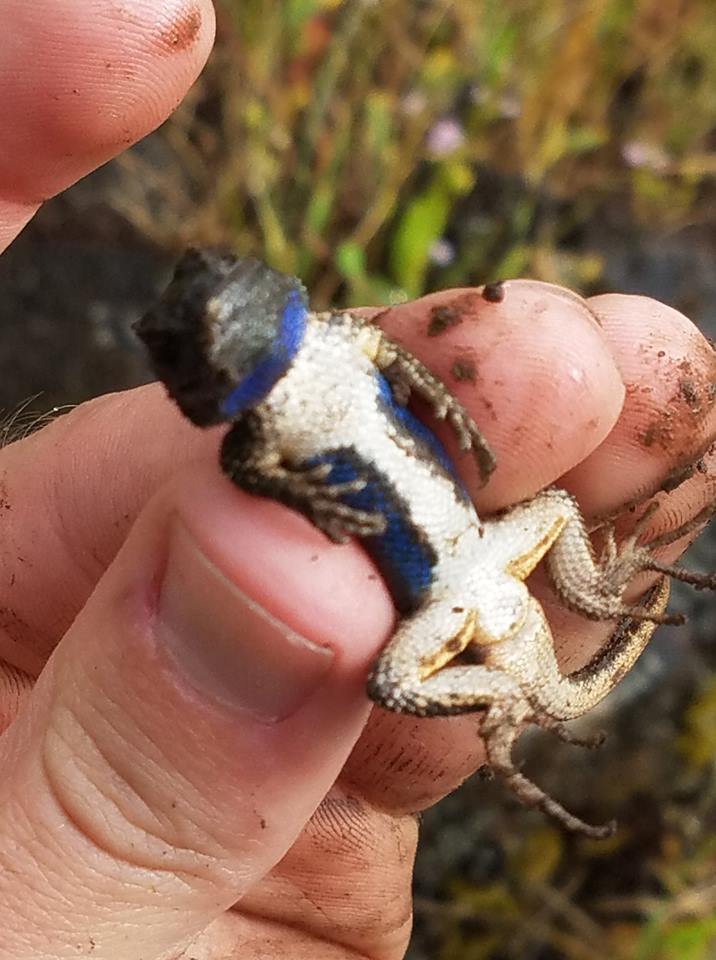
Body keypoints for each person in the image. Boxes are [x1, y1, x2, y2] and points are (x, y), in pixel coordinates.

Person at [0, 2, 714, 958]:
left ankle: (582, 600)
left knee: (550, 496)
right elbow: (270, 450)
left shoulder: (331, 343)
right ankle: (510, 705)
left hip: (479, 565)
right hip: (451, 602)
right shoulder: (276, 406)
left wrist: (440, 411)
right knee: (393, 665)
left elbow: (409, 369)